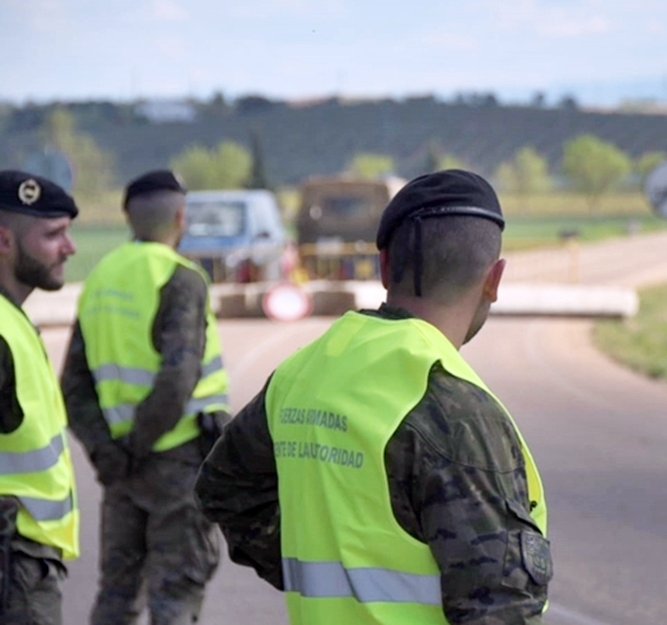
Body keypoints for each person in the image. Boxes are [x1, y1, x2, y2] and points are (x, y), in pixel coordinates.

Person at [195, 169, 553, 624]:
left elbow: (223, 488)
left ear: (383, 266)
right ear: (494, 279)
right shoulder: (453, 405)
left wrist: (312, 562)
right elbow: (500, 609)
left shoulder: (300, 373)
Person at [61, 170, 227, 625]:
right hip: (176, 460)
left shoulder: (100, 278)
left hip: (120, 467)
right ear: (181, 216)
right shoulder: (181, 277)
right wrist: (138, 447)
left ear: (127, 218)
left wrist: (107, 452)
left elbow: (73, 385)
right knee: (174, 596)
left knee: (116, 594)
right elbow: (178, 378)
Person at [0, 170, 81, 625]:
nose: (69, 248)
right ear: (4, 240)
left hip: (23, 563)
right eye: (53, 235)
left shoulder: (12, 320)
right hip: (13, 571)